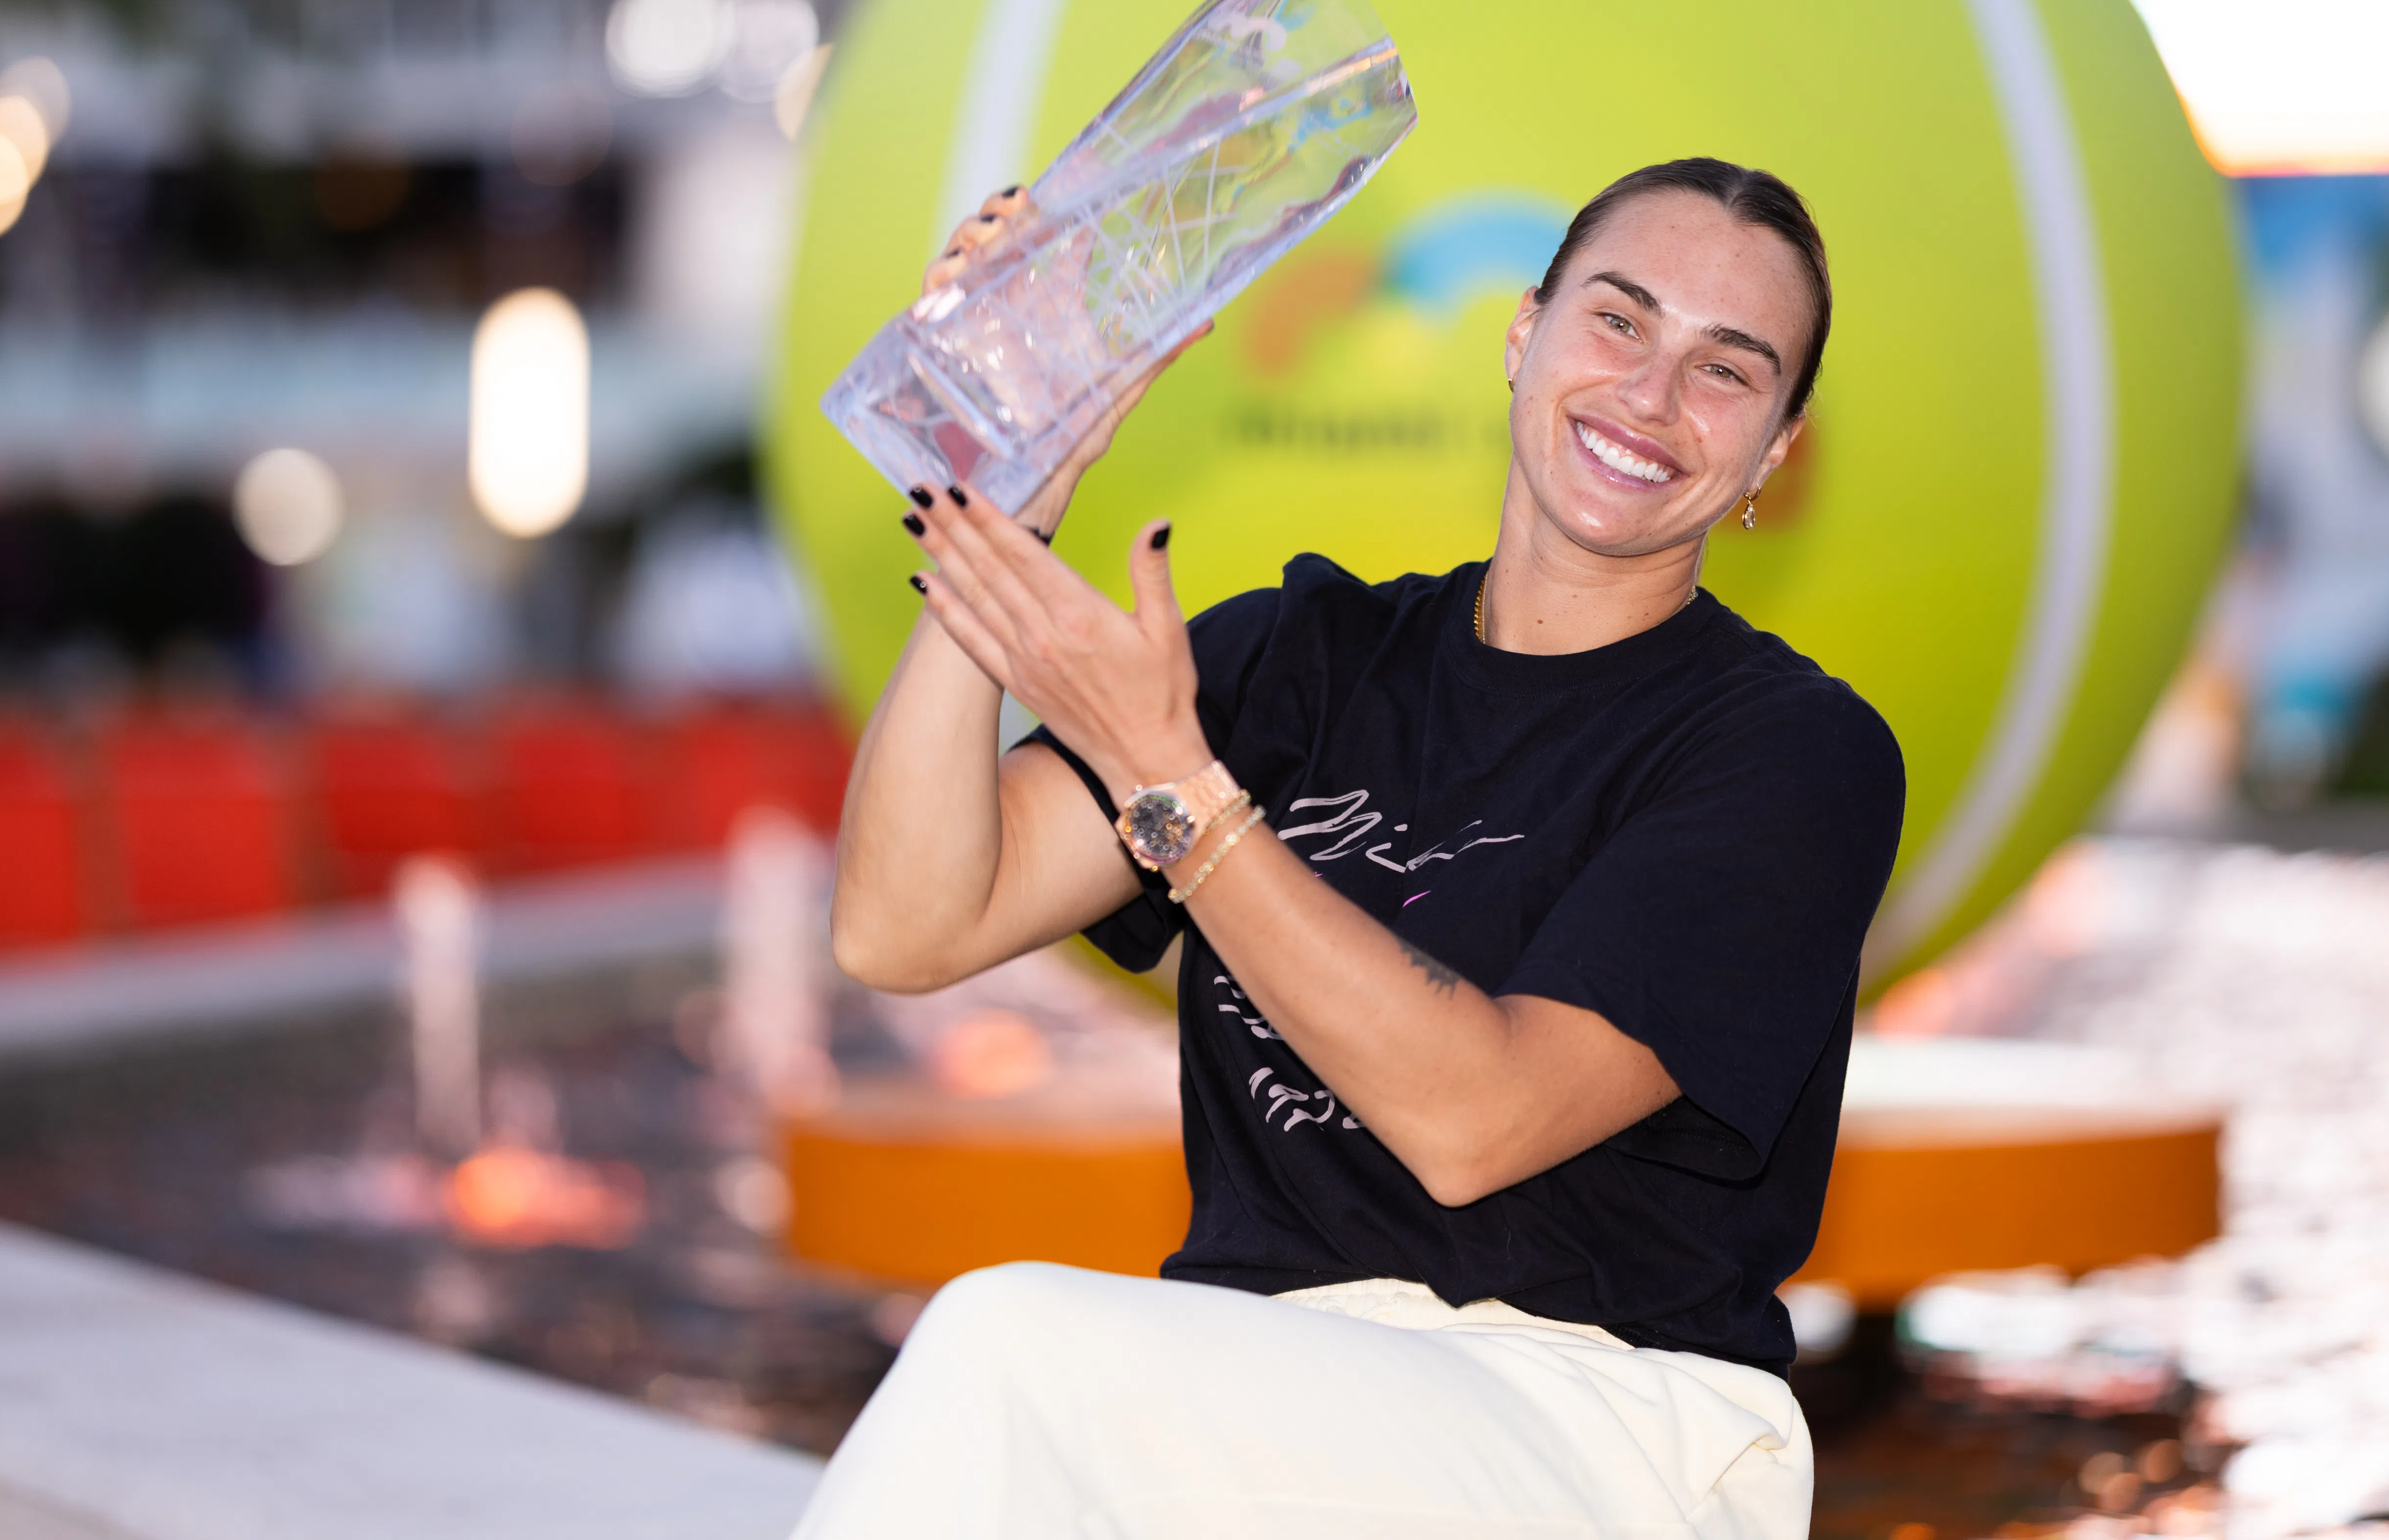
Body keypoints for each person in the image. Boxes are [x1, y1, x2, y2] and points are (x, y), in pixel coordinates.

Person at [804, 158, 1906, 1540]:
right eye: (1619, 322)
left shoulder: (1794, 756)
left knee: (1003, 1349)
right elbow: (905, 926)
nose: (1652, 397)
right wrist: (1005, 496)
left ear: (1775, 454)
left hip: (1596, 1422)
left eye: (1725, 371)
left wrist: (1178, 789)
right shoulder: (1308, 658)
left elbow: (1475, 1122)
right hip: (1261, 1387)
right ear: (1524, 334)